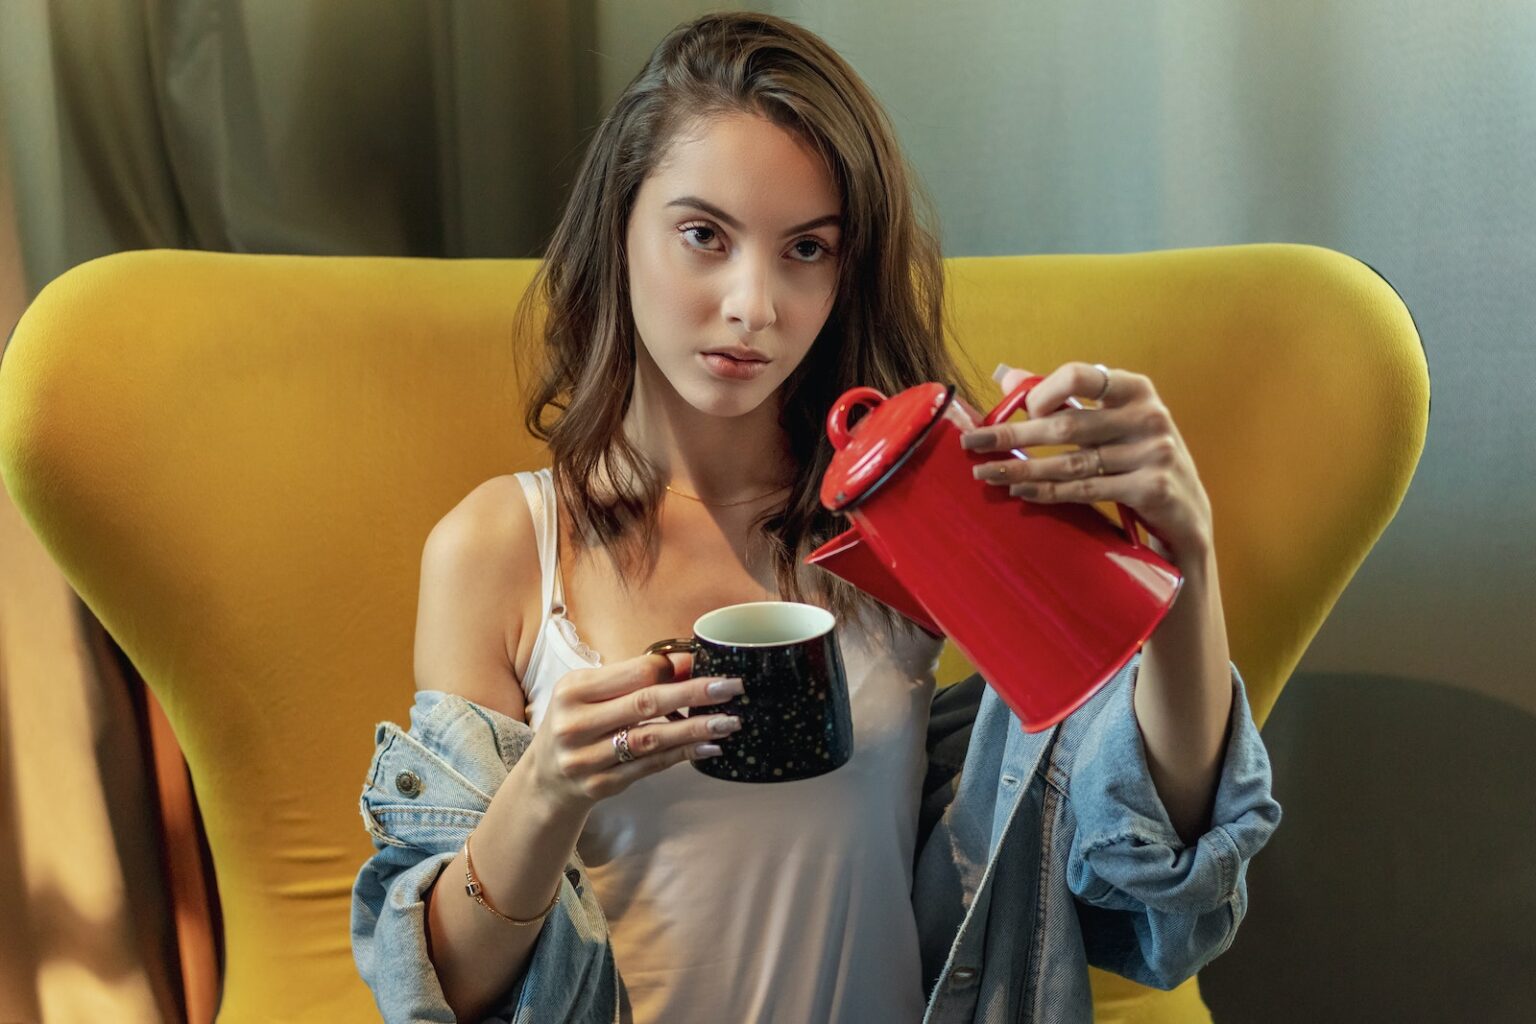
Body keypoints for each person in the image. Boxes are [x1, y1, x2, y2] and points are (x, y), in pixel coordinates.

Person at [350, 11, 1281, 1023]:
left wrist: (1177, 559)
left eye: (806, 250)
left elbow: (1159, 868)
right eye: (703, 235)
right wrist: (548, 789)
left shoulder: (896, 520)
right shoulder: (503, 549)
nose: (754, 304)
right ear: (619, 226)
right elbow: (439, 990)